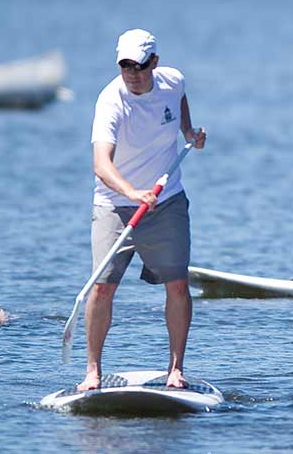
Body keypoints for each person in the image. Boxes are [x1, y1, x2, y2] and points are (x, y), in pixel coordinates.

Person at [79, 29, 207, 391]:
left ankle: (175, 369)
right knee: (102, 289)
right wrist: (132, 192)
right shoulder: (111, 101)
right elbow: (101, 165)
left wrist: (188, 131)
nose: (132, 73)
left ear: (155, 63)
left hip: (166, 202)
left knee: (178, 285)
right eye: (125, 66)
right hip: (114, 206)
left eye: (139, 65)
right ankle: (92, 372)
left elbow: (179, 98)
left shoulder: (172, 80)